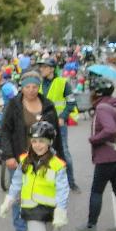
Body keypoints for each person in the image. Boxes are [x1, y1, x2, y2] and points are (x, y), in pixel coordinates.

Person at [0, 121, 69, 231]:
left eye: (42, 141)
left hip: (50, 209)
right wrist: (9, 199)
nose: (38, 145)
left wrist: (61, 209)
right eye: (35, 141)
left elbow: (62, 189)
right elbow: (16, 181)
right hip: (31, 208)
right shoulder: (24, 160)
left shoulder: (57, 165)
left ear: (50, 142)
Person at [0, 72, 61, 231]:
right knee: (19, 196)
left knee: (45, 196)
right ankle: (20, 230)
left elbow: (56, 134)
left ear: (39, 86)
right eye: (27, 87)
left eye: (35, 86)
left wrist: (60, 159)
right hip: (21, 159)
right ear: (22, 87)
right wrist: (9, 156)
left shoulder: (48, 105)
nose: (31, 90)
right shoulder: (14, 105)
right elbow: (4, 131)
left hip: (45, 159)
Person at [77, 77, 116, 231]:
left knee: (96, 191)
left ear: (98, 92)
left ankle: (91, 226)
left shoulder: (102, 108)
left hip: (106, 156)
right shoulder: (112, 104)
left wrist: (93, 139)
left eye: (93, 90)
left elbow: (110, 129)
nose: (91, 93)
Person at [37, 58, 79, 192]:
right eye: (41, 67)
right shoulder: (38, 84)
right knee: (42, 151)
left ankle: (71, 182)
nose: (41, 69)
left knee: (64, 152)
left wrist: (63, 117)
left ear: (51, 69)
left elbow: (71, 102)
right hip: (42, 124)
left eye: (44, 67)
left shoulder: (63, 83)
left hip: (59, 124)